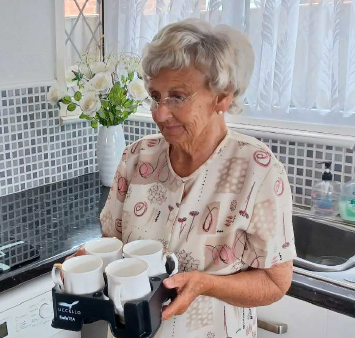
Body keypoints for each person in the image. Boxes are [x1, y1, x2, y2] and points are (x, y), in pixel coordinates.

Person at [74, 19, 297, 338]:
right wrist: (94, 263)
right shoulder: (137, 158)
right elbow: (116, 245)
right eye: (155, 95)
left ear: (222, 97)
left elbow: (276, 282)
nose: (159, 113)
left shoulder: (257, 169)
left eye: (177, 96)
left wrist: (206, 285)